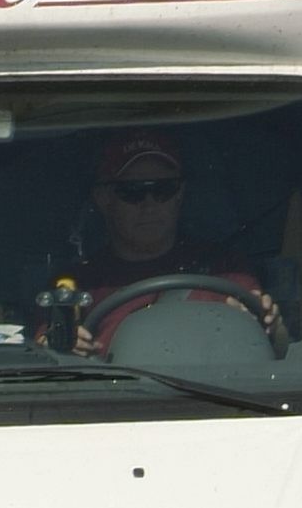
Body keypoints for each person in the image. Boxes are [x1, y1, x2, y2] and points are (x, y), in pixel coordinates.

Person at [41, 131, 283, 355]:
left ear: (180, 193)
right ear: (103, 198)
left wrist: (270, 325)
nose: (150, 205)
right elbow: (43, 352)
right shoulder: (75, 286)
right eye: (133, 191)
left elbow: (276, 344)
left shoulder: (226, 269)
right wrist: (62, 345)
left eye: (164, 189)